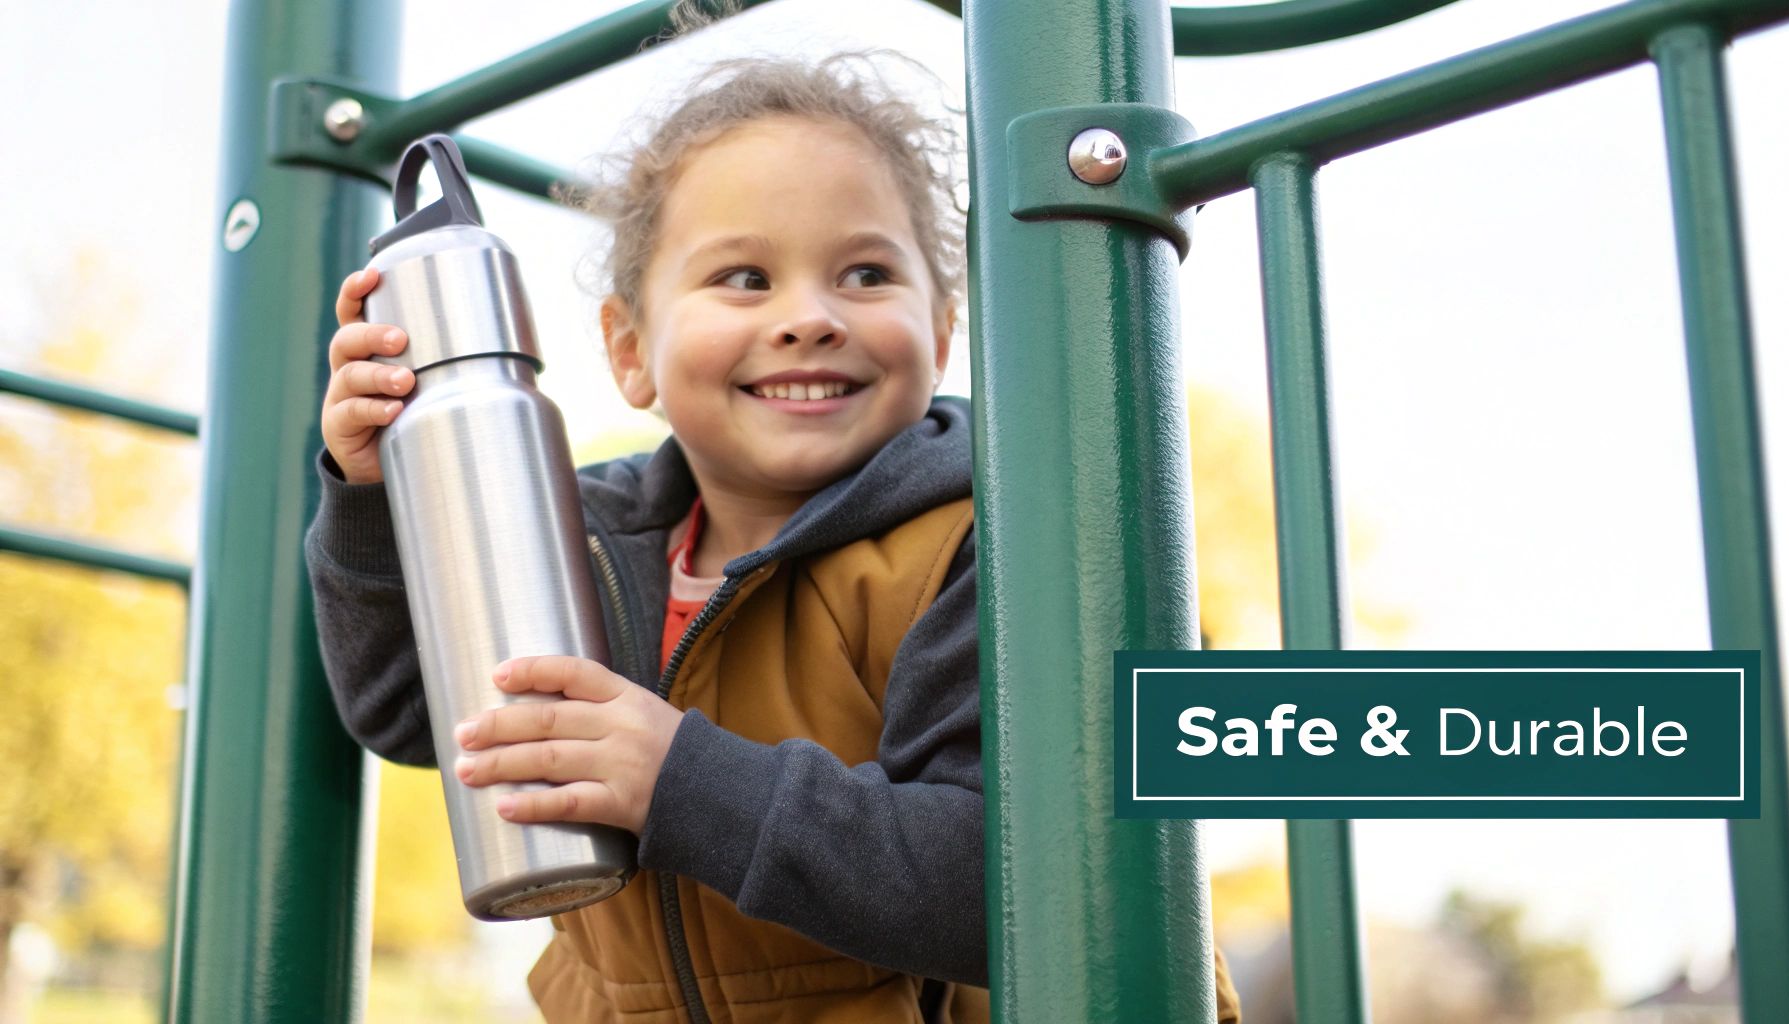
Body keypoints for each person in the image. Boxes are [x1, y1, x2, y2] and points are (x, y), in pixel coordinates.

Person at [306, 51, 1241, 1024]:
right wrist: (372, 495)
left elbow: (1025, 886)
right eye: (744, 277)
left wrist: (682, 781)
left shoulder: (981, 545)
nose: (808, 317)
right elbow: (407, 711)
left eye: (865, 273)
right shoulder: (577, 547)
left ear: (941, 325)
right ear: (630, 351)